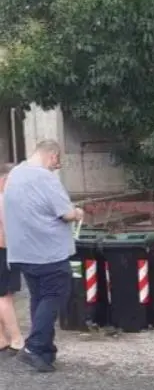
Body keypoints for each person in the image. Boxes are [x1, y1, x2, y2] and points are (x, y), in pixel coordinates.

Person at [5, 140, 83, 372]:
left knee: (39, 299)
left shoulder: (15, 174)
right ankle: (35, 347)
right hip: (48, 252)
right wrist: (77, 212)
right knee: (53, 297)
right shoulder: (46, 178)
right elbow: (66, 213)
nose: (55, 167)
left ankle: (45, 353)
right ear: (52, 156)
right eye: (57, 162)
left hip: (22, 251)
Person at [0, 162, 24, 356]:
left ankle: (1, 338)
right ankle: (16, 338)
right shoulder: (3, 201)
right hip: (3, 251)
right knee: (5, 297)